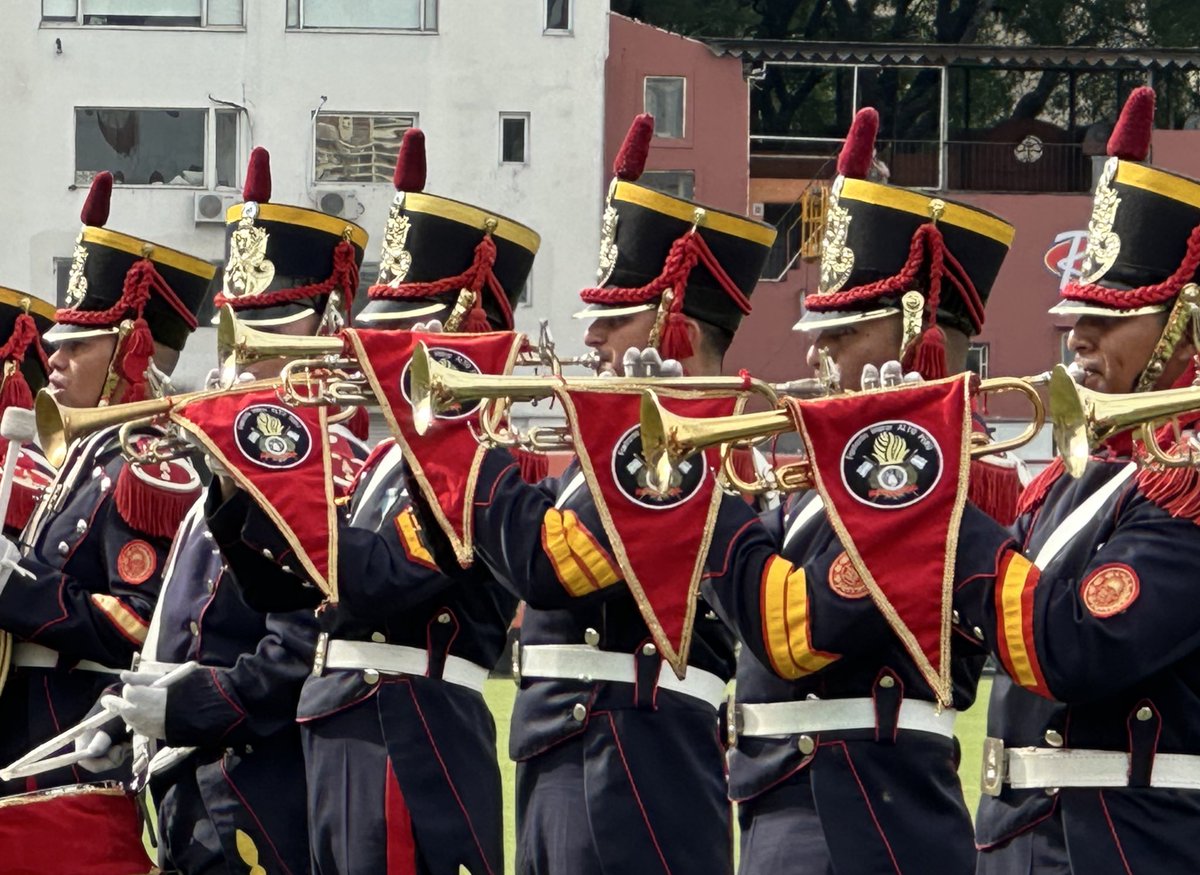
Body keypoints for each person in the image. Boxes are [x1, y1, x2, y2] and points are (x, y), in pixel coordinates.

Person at [397, 114, 776, 874]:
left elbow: (548, 563)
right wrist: (430, 437)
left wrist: (461, 441)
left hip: (628, 768)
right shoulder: (613, 452)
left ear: (675, 327)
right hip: (571, 754)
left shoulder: (685, 449)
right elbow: (467, 548)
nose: (592, 340)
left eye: (613, 319)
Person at [697, 107, 1019, 875]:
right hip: (799, 799)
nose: (818, 353)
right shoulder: (832, 476)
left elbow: (793, 630)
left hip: (859, 817)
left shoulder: (924, 483)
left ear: (914, 337)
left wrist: (689, 494)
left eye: (844, 334)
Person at [206, 129, 536, 874]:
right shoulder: (391, 459)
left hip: (408, 732)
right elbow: (284, 588)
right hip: (345, 728)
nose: (368, 358)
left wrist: (265, 495)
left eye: (396, 342)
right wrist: (234, 486)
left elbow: (383, 578)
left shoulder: (478, 461)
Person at [94, 146, 368, 873]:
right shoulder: (225, 461)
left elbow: (300, 654)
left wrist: (187, 709)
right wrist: (130, 713)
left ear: (324, 340)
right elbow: (178, 628)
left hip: (257, 791)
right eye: (235, 339)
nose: (234, 368)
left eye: (261, 343)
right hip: (191, 786)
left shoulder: (331, 471)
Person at [954, 85, 1200, 874]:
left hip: (1127, 843)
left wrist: (933, 516)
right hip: (1019, 838)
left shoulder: (1185, 477)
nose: (1079, 336)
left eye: (1112, 314)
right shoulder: (1081, 474)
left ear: (1184, 324)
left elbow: (1074, 644)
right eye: (1076, 315)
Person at [0, 170, 212, 794]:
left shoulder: (143, 468)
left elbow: (142, 621)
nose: (54, 358)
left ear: (129, 352)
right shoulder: (80, 459)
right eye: (57, 343)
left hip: (70, 739)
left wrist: (18, 587)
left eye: (78, 344)